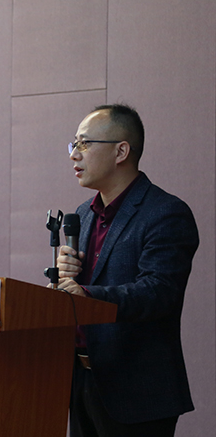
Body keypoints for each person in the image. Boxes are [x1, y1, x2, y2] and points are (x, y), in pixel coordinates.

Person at [56, 104, 199, 437]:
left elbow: (159, 292)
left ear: (121, 151)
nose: (74, 154)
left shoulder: (165, 213)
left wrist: (86, 295)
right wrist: (67, 275)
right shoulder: (84, 214)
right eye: (73, 144)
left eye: (84, 143)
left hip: (137, 391)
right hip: (81, 382)